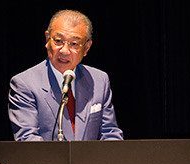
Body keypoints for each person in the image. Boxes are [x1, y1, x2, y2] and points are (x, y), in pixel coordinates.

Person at [8, 10, 123, 141]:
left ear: (86, 48)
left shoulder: (99, 80)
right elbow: (27, 139)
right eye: (58, 41)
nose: (64, 50)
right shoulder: (25, 83)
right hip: (49, 162)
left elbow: (110, 133)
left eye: (74, 44)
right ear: (47, 39)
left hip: (93, 161)